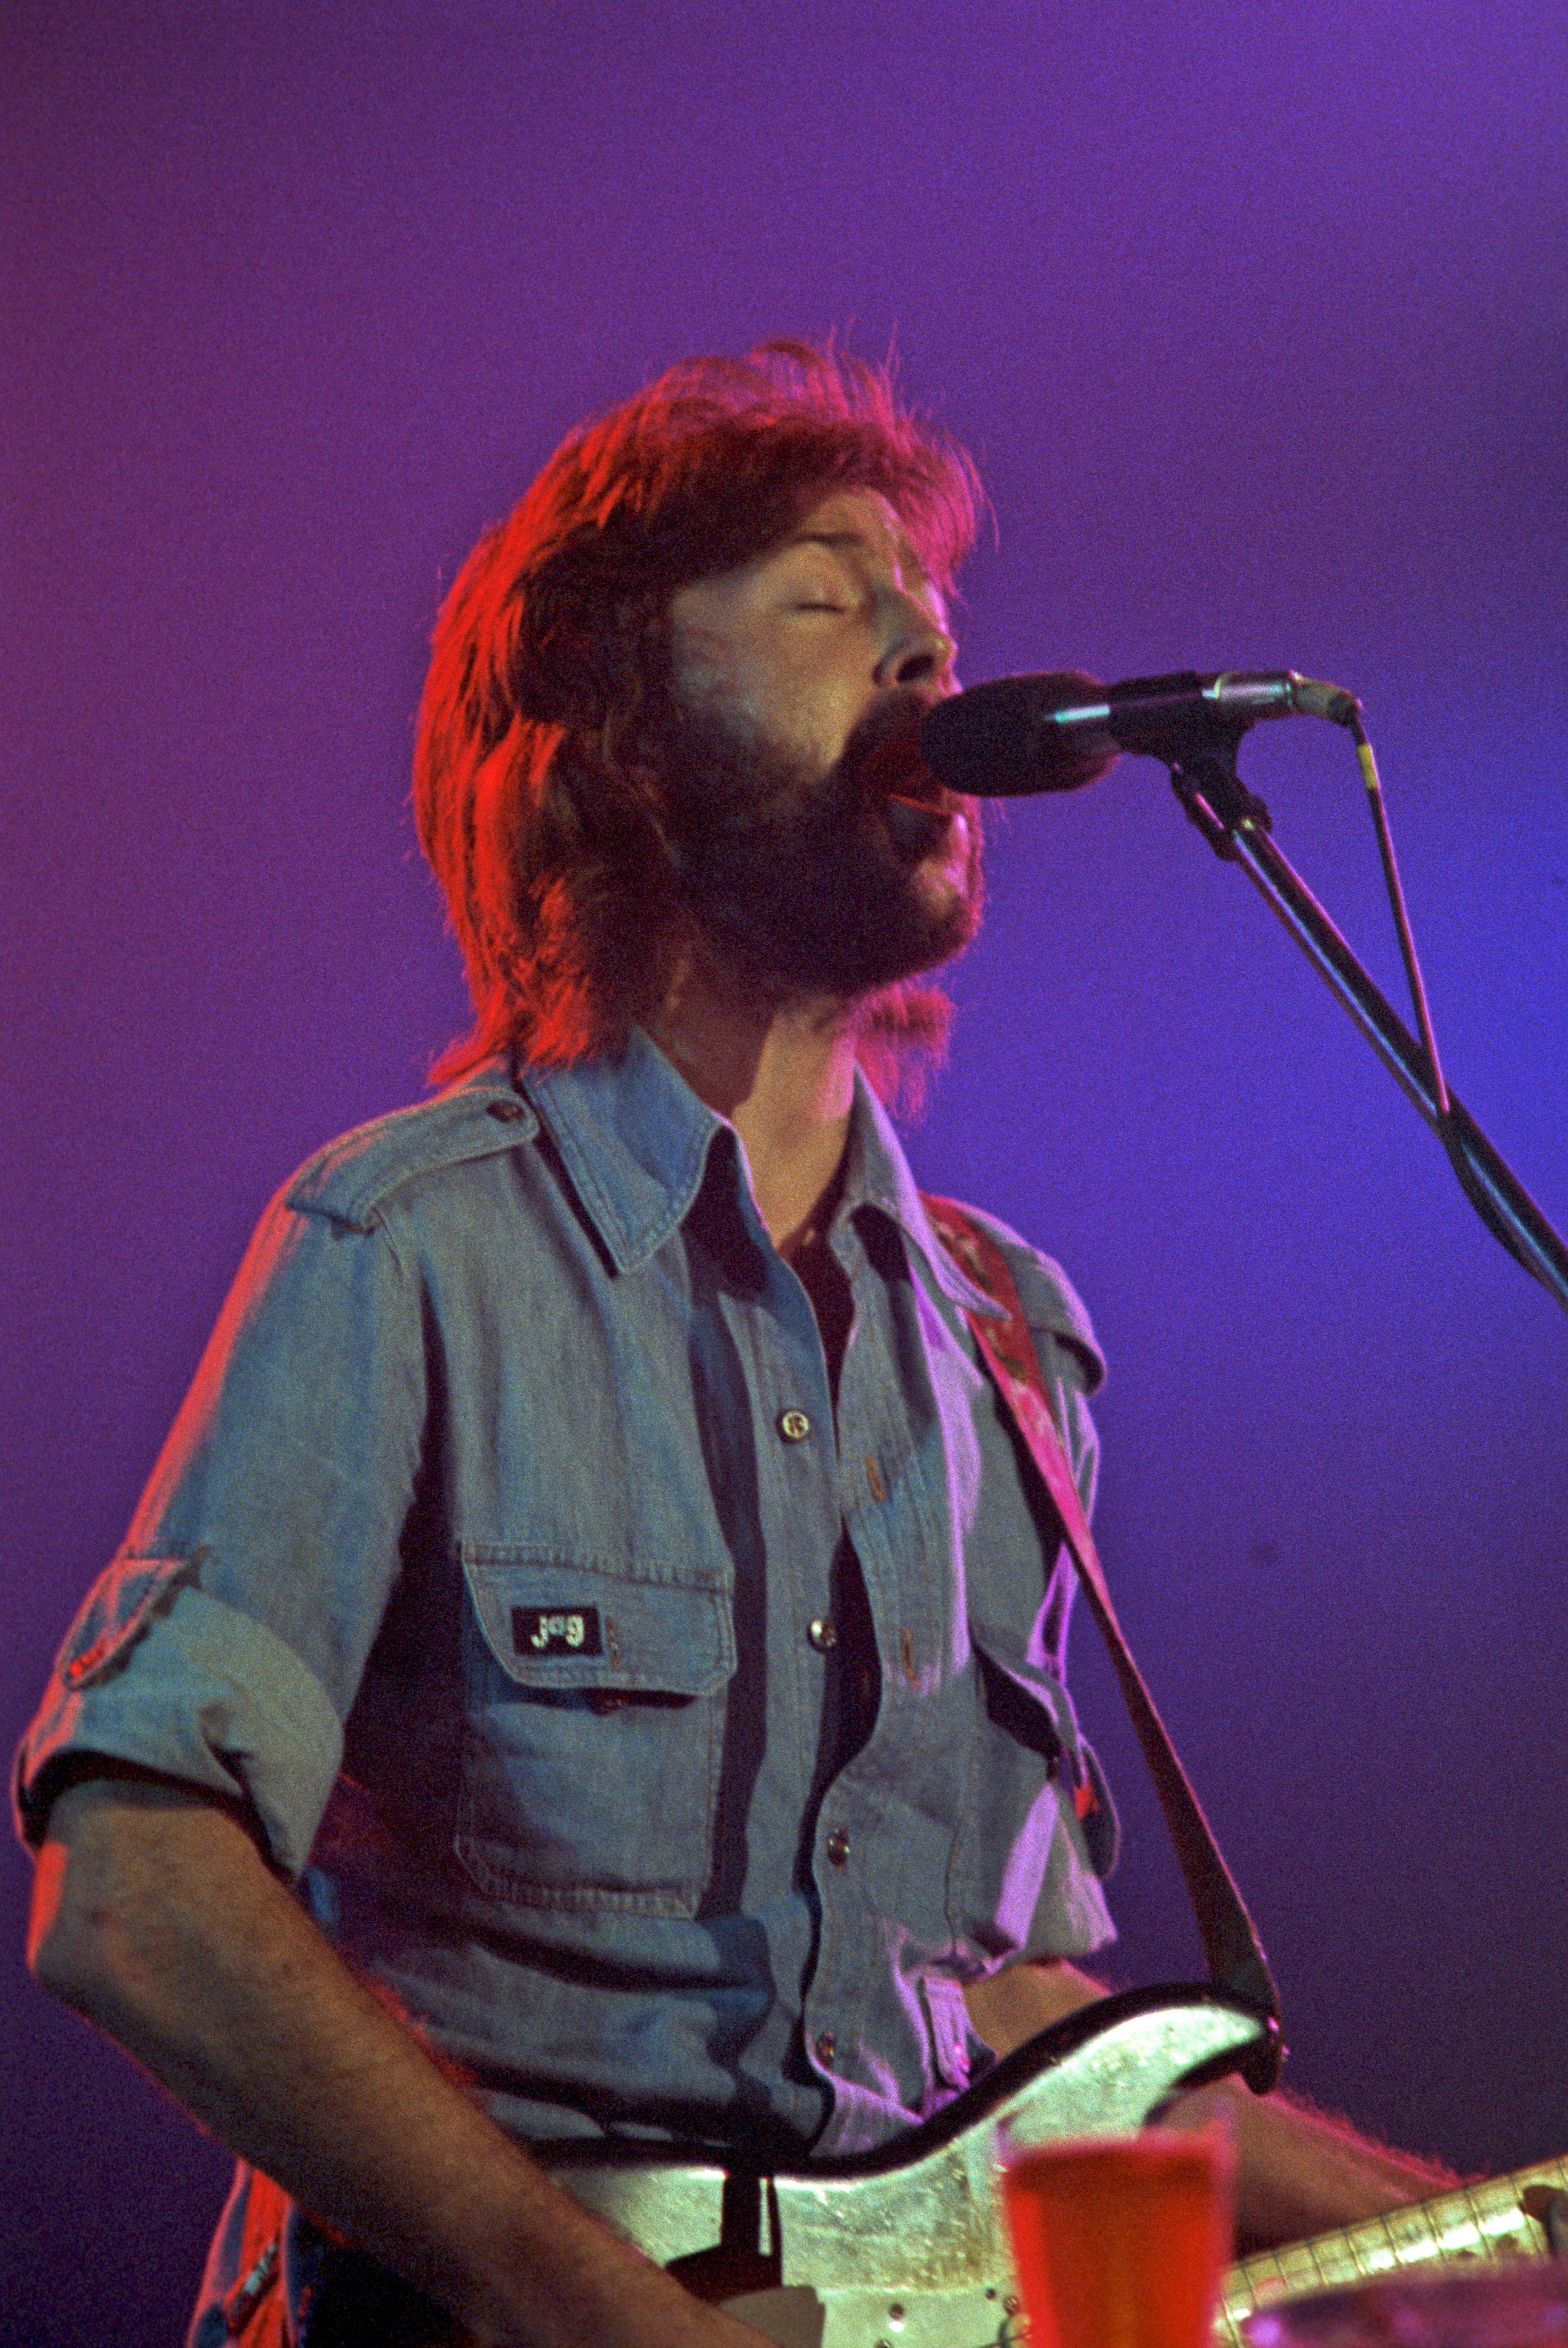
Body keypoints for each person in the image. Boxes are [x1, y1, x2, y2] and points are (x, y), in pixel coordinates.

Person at [17, 345, 1451, 2348]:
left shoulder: (1008, 1341)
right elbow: (136, 1892)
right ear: (615, 732)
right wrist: (595, 2309)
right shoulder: (406, 1248)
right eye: (820, 599)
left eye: (931, 619)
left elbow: (991, 2011)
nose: (921, 651)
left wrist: (1471, 2244)